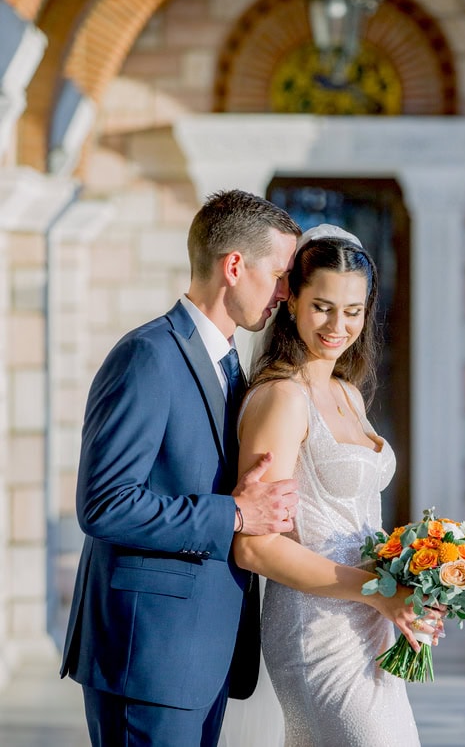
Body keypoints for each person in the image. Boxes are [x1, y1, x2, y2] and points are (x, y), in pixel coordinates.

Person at [60, 189, 302, 747]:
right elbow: (104, 504)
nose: (285, 293)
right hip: (146, 656)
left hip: (204, 653)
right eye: (279, 275)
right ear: (234, 267)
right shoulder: (147, 355)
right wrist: (234, 514)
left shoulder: (234, 365)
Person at [233, 224, 443, 747]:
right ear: (291, 302)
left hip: (372, 622)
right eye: (322, 307)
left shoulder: (347, 393)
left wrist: (413, 582)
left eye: (353, 311)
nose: (337, 325)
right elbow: (255, 547)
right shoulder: (282, 398)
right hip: (316, 627)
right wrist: (381, 592)